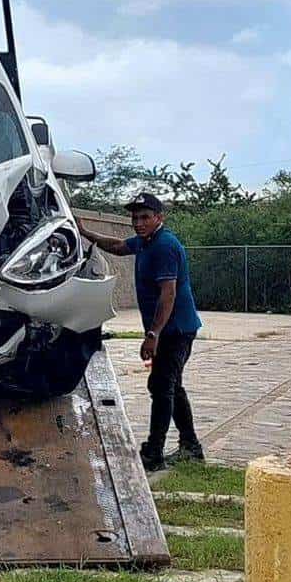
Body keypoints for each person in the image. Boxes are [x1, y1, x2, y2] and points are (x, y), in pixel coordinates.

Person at [79, 192, 203, 472]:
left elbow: (168, 294)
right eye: (135, 218)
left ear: (159, 217)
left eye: (145, 217)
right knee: (170, 385)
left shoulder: (164, 246)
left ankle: (154, 453)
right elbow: (118, 245)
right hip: (169, 330)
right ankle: (191, 446)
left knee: (161, 386)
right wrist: (87, 234)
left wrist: (153, 335)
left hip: (175, 330)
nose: (138, 223)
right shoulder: (146, 242)